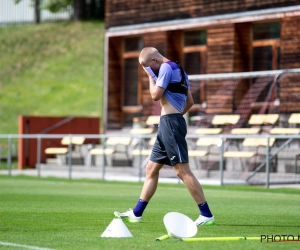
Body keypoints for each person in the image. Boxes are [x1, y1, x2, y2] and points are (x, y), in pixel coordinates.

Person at [114, 47, 215, 226]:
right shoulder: (180, 70)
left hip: (170, 124)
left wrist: (149, 77)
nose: (151, 71)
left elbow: (155, 96)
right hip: (169, 123)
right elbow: (190, 102)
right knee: (151, 169)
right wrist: (174, 116)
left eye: (148, 67)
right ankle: (137, 213)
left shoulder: (166, 68)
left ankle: (206, 214)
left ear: (153, 61)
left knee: (181, 171)